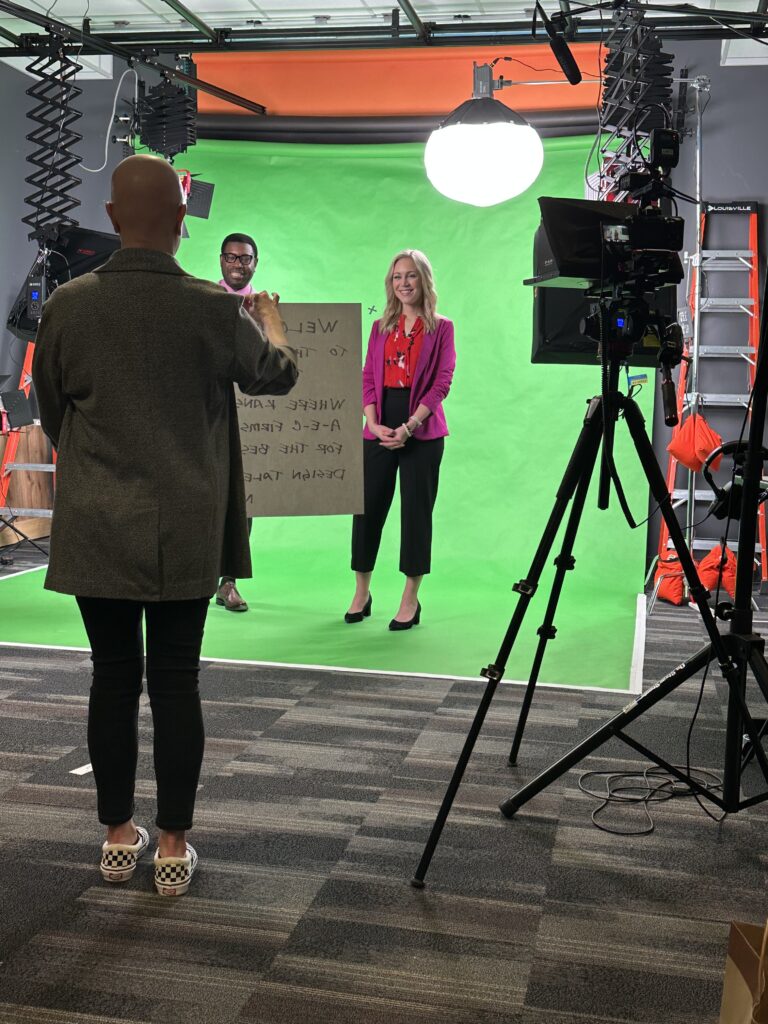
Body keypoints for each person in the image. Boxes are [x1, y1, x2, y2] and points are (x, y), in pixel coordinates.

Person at [32, 154, 298, 896]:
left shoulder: (68, 306)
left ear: (113, 221)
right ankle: (174, 845)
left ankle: (119, 835)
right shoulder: (215, 307)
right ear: (184, 227)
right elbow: (276, 375)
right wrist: (271, 323)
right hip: (186, 525)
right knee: (177, 683)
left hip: (96, 524)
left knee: (112, 680)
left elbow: (54, 415)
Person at [347, 249, 455, 630]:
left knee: (415, 514)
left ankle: (410, 599)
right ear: (390, 284)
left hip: (422, 428)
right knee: (366, 511)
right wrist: (373, 423)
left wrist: (410, 426)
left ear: (423, 280)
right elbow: (366, 377)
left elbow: (442, 382)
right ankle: (362, 592)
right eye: (397, 277)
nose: (404, 283)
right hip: (379, 422)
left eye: (410, 276)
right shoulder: (380, 327)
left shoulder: (442, 328)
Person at [215, 231, 259, 612]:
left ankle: (228, 583)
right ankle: (199, 578)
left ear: (254, 264)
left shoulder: (265, 309)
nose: (237, 264)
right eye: (231, 257)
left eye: (244, 258)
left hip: (255, 422)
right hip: (209, 418)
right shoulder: (204, 302)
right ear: (221, 261)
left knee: (245, 504)